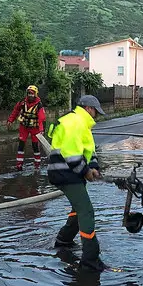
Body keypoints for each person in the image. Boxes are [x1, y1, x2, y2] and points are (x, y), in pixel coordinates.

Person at [48, 95, 107, 272]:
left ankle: (63, 242)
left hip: (71, 173)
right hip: (65, 173)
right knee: (86, 211)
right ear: (89, 108)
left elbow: (89, 150)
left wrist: (94, 166)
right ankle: (90, 259)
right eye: (96, 112)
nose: (96, 116)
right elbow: (72, 155)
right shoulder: (74, 122)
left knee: (78, 209)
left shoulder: (82, 124)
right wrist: (86, 172)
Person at [7, 85, 46, 171]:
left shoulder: (39, 105)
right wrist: (10, 120)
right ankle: (19, 165)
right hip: (24, 126)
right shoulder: (22, 102)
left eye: (32, 94)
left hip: (35, 127)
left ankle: (37, 165)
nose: (30, 95)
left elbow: (41, 118)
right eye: (28, 93)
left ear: (35, 94)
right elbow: (15, 111)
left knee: (35, 145)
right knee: (21, 144)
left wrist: (41, 130)